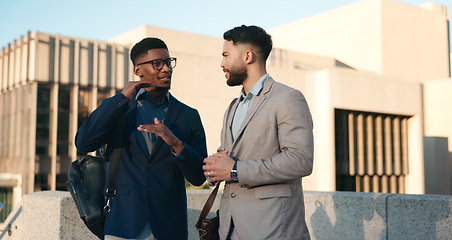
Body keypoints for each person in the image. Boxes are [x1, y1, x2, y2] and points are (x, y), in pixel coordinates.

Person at [75, 37, 207, 240]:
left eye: (169, 62)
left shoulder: (188, 115)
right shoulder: (119, 108)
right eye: (158, 63)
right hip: (122, 223)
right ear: (138, 70)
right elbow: (83, 142)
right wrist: (121, 98)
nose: (166, 69)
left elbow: (198, 177)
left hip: (170, 226)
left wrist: (176, 144)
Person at [202, 25, 314, 240]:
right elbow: (227, 156)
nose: (222, 63)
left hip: (272, 229)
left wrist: (235, 170)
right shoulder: (233, 106)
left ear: (247, 56)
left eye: (226, 55)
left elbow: (300, 160)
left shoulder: (287, 98)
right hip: (230, 228)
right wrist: (214, 168)